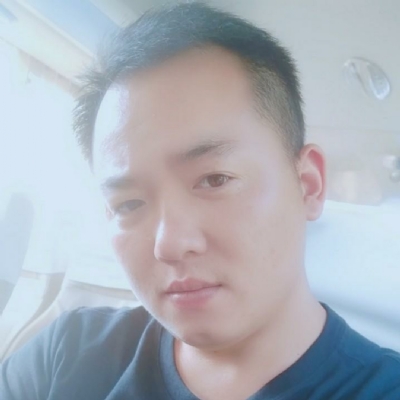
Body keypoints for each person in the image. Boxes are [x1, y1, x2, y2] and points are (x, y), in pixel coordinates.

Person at [1, 2, 399, 399]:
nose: (169, 244)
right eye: (129, 204)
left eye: (214, 179)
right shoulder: (67, 355)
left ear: (308, 185)